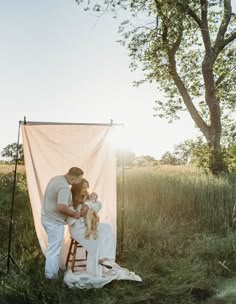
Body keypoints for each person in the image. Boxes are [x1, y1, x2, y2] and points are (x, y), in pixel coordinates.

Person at [41, 167, 84, 279]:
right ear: (73, 177)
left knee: (53, 248)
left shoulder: (56, 178)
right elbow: (62, 207)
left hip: (46, 217)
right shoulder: (64, 187)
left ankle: (52, 272)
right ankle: (51, 277)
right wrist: (75, 215)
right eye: (79, 180)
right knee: (54, 250)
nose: (79, 182)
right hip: (54, 222)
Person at [68, 179, 115, 276]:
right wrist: (82, 212)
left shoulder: (86, 197)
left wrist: (89, 203)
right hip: (77, 228)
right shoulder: (70, 199)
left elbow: (95, 209)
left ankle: (104, 258)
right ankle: (94, 271)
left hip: (87, 225)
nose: (86, 189)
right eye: (83, 187)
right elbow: (70, 220)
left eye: (86, 187)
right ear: (77, 188)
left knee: (107, 228)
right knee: (97, 239)